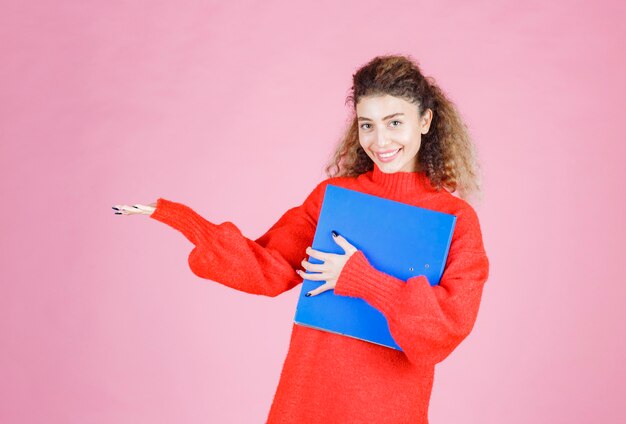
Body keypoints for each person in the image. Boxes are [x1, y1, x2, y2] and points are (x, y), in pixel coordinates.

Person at [112, 54, 490, 424]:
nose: (380, 140)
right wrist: (181, 219)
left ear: (424, 121)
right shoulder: (332, 198)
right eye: (367, 125)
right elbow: (267, 267)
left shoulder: (454, 220)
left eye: (394, 122)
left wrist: (362, 279)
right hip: (307, 397)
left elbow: (443, 330)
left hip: (388, 409)